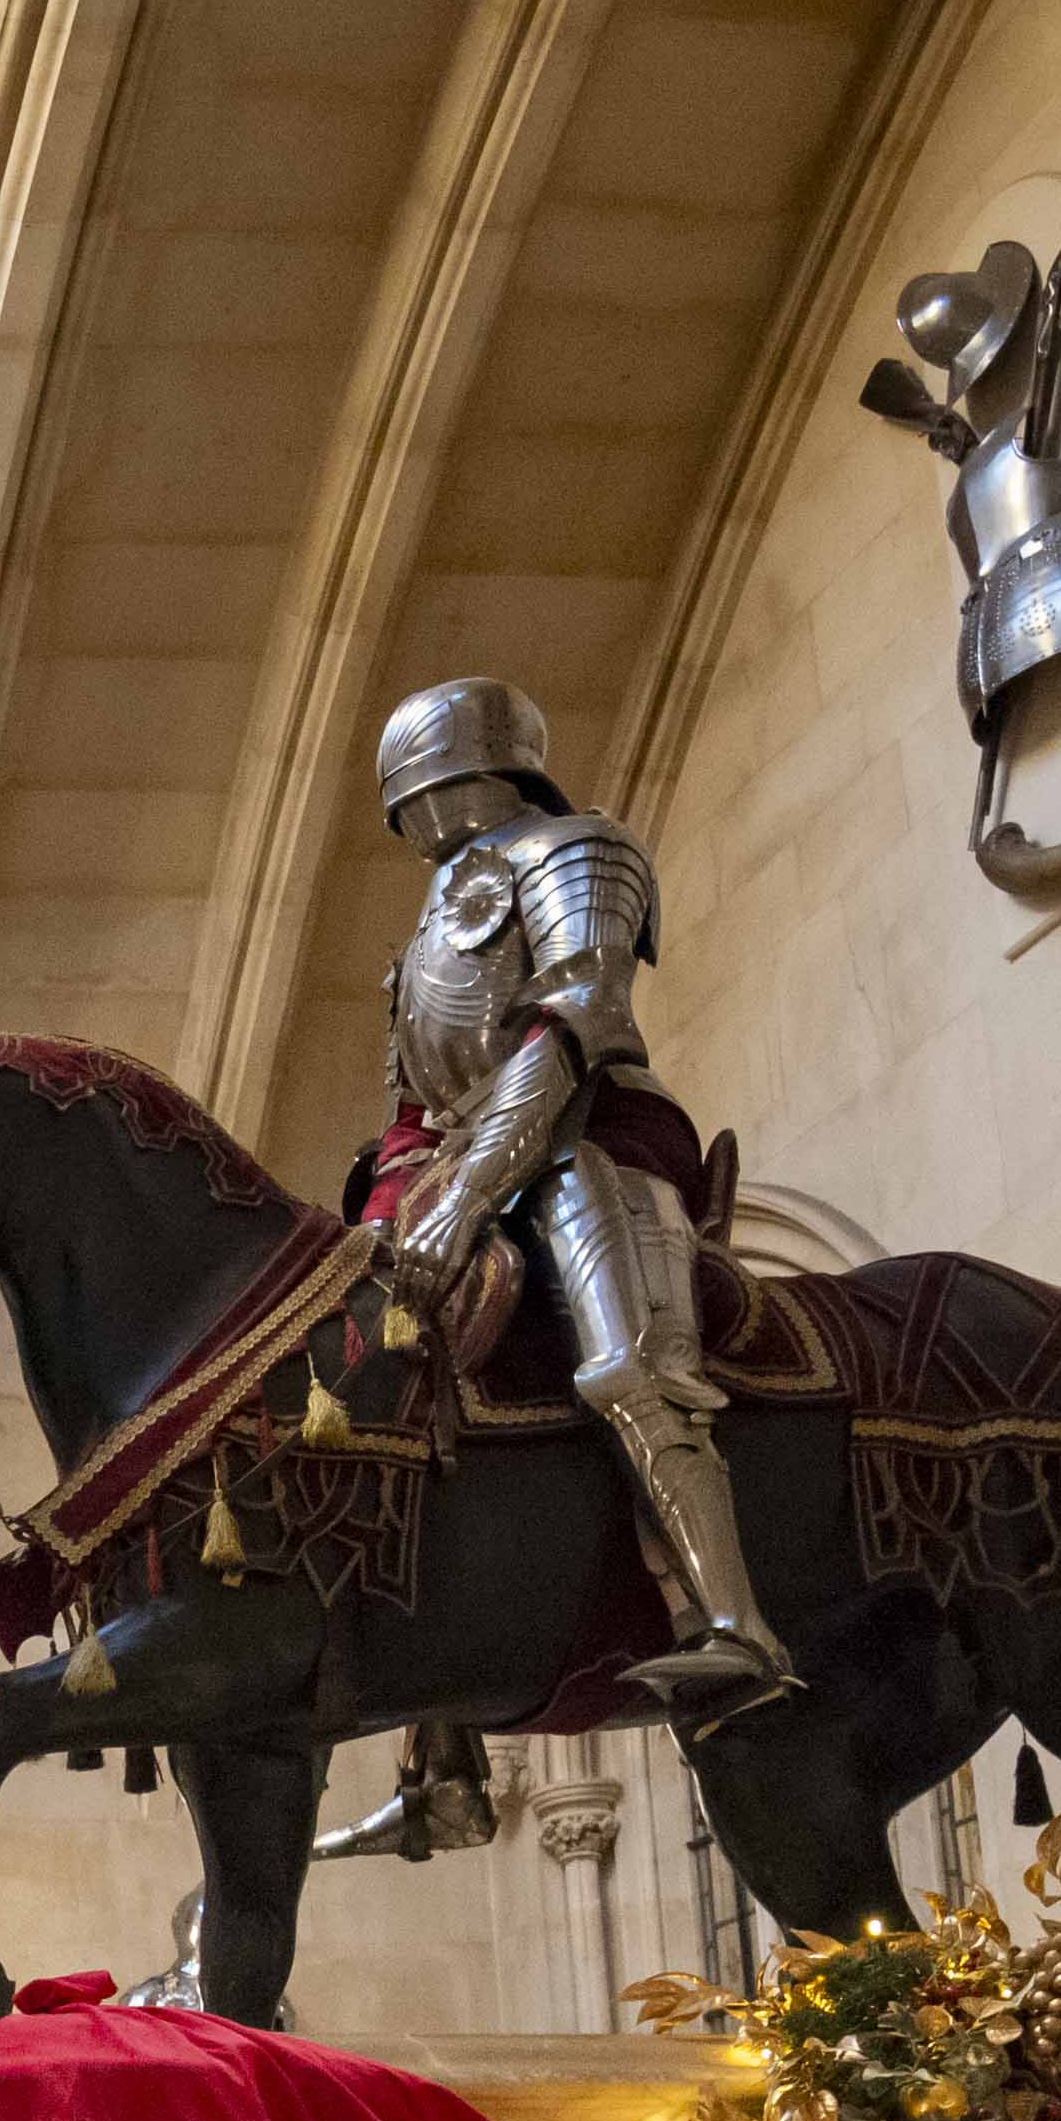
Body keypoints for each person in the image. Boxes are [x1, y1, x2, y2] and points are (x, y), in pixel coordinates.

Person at [360, 669, 785, 1714]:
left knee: (627, 1366)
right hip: (468, 1163)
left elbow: (573, 1024)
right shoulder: (423, 931)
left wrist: (464, 1200)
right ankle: (439, 1740)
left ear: (441, 780)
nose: (405, 823)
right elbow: (413, 1109)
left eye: (405, 800)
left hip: (588, 1137)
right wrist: (380, 1228)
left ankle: (734, 1622)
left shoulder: (575, 850)